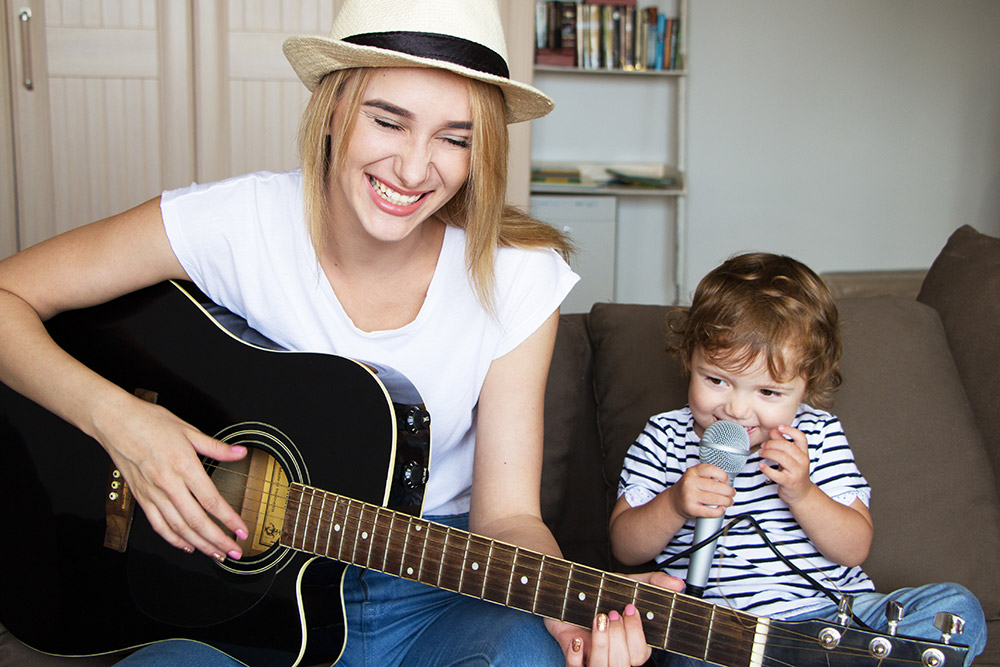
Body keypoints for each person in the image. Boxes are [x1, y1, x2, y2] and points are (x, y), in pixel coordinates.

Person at [0, 0, 679, 665]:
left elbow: (504, 518)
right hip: (234, 594)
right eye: (389, 121)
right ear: (332, 108)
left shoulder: (517, 279)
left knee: (524, 655)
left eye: (456, 137)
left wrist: (563, 597)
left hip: (434, 587)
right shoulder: (239, 222)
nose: (415, 169)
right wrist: (123, 423)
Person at [609, 252, 986, 667]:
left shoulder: (818, 435)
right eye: (716, 380)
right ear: (689, 360)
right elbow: (626, 548)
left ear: (806, 386)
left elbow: (854, 547)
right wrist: (674, 502)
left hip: (833, 622)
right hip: (722, 631)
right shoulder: (664, 435)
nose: (736, 409)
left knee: (956, 607)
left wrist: (803, 493)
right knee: (683, 653)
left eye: (768, 392)